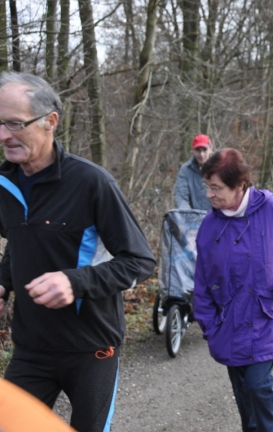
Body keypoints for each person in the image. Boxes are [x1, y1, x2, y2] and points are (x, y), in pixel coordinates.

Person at [0, 72, 156, 431]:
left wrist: (76, 282)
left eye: (14, 124)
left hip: (92, 347)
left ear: (50, 122)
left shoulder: (91, 183)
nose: (4, 136)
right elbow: (19, 242)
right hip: (31, 348)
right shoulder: (4, 183)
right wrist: (3, 284)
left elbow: (140, 261)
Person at [193, 148, 273, 432]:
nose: (210, 195)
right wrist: (210, 327)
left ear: (240, 185)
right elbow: (201, 281)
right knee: (244, 399)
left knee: (258, 386)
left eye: (216, 188)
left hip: (266, 318)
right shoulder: (209, 225)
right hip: (227, 325)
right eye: (208, 187)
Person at [174, 134, 214, 210]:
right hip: (193, 218)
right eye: (198, 150)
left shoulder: (221, 167)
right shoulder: (185, 169)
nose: (201, 154)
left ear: (211, 149)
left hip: (217, 217)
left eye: (204, 150)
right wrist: (189, 216)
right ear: (192, 150)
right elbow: (181, 196)